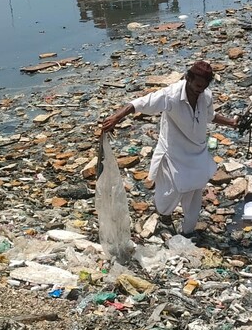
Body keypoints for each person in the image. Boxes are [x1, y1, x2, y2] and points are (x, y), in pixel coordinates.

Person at [100, 61, 239, 238]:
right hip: (174, 153)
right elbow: (140, 103)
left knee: (195, 191)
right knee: (169, 192)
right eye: (197, 86)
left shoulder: (205, 96)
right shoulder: (171, 96)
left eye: (203, 87)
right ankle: (164, 216)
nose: (200, 90)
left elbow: (209, 115)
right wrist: (116, 118)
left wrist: (231, 122)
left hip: (197, 153)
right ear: (188, 78)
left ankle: (188, 232)